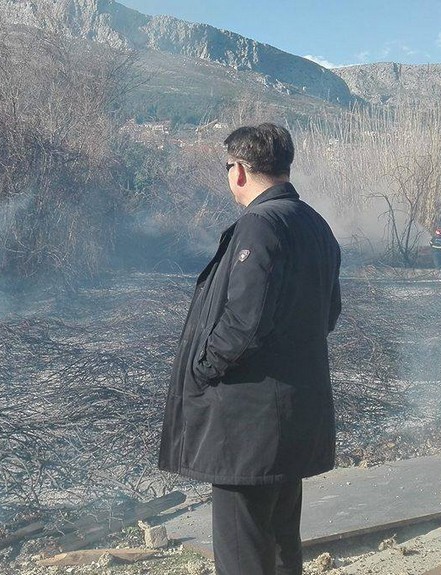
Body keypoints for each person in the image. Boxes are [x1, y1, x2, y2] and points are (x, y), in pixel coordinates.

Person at [158, 123, 342, 575]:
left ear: (239, 170)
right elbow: (329, 314)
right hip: (293, 415)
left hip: (247, 427)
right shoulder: (314, 224)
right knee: (280, 546)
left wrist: (202, 367)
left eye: (227, 169)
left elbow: (244, 320)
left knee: (242, 553)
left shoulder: (259, 226)